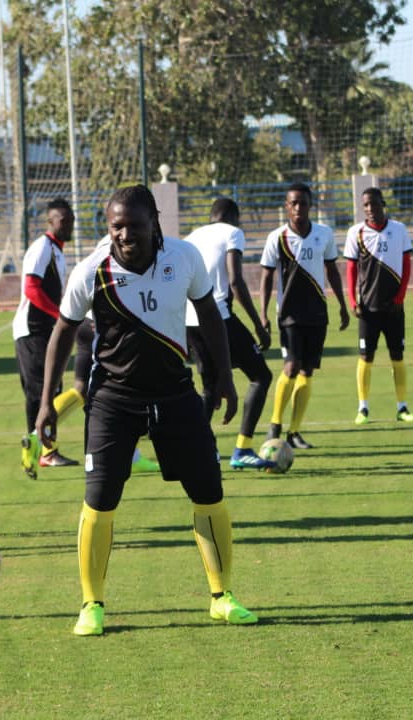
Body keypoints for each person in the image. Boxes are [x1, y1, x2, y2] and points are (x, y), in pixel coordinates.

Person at [34, 185, 258, 637]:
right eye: (116, 226)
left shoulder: (185, 257)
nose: (124, 235)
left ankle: (221, 596)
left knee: (208, 494)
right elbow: (62, 332)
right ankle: (91, 604)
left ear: (154, 222)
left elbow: (209, 315)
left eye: (133, 225)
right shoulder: (92, 270)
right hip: (113, 399)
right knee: (100, 500)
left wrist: (225, 377)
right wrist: (47, 403)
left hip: (176, 394)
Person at [184, 198, 274, 469]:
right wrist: (259, 324)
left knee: (209, 387)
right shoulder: (232, 233)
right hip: (218, 316)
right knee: (261, 376)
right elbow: (235, 280)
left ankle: (196, 451)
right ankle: (242, 449)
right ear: (232, 216)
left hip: (189, 320)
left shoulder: (192, 237)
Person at [260, 182, 350, 449]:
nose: (298, 207)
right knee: (290, 367)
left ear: (311, 205)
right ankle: (275, 426)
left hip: (317, 313)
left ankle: (294, 432)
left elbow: (332, 270)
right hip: (288, 315)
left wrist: (342, 305)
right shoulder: (277, 237)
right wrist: (263, 314)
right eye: (294, 203)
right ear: (287, 206)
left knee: (307, 372)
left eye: (303, 202)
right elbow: (266, 276)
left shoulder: (324, 234)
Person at [15, 198, 78, 478]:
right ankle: (45, 451)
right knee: (43, 392)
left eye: (71, 219)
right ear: (51, 222)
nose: (69, 224)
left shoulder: (57, 251)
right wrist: (59, 314)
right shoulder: (42, 247)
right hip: (33, 329)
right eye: (63, 220)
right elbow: (31, 288)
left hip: (45, 329)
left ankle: (42, 447)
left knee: (51, 390)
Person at [49, 317, 162, 473]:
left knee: (81, 389)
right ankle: (130, 456)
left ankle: (37, 435)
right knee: (129, 382)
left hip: (85, 323)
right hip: (102, 324)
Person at [343, 187, 413, 425]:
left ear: (382, 204)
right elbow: (351, 269)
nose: (370, 209)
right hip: (368, 309)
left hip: (394, 308)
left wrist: (399, 298)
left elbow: (406, 266)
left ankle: (402, 407)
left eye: (374, 204)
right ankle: (362, 408)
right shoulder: (356, 232)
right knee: (366, 357)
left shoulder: (399, 230)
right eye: (365, 205)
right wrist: (353, 301)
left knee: (397, 356)